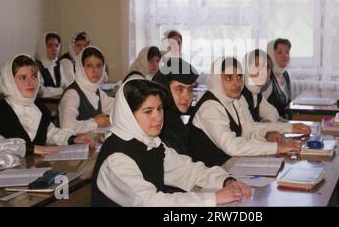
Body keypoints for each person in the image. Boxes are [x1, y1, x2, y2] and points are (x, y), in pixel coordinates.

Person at [91, 79, 252, 207]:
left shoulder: (151, 143)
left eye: (159, 109)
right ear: (128, 115)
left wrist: (226, 181)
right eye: (148, 111)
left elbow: (188, 170)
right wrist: (213, 198)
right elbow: (149, 202)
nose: (158, 117)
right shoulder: (116, 159)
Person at [186, 57, 311, 167]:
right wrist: (277, 148)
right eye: (228, 78)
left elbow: (249, 129)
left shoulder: (231, 100)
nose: (237, 83)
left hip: (229, 164)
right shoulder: (210, 107)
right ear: (217, 79)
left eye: (239, 77)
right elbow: (233, 146)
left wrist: (288, 128)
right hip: (209, 175)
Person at [0, 55, 94, 156]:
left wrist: (72, 139)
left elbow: (49, 133)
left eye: (34, 76)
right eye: (23, 78)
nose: (31, 82)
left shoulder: (39, 107)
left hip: (38, 167)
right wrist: (30, 149)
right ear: (9, 81)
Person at [59, 46, 114, 134]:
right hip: (73, 146)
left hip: (91, 143)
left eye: (99, 65)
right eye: (89, 66)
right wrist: (95, 123)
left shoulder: (96, 90)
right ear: (81, 68)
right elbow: (66, 127)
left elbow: (114, 107)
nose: (95, 70)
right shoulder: (72, 94)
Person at [152, 57, 198, 155]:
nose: (187, 97)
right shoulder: (158, 127)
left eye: (190, 90)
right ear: (164, 89)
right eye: (179, 89)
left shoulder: (173, 119)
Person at [240, 49, 279, 123]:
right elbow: (249, 129)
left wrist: (268, 122)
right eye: (257, 66)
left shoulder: (256, 93)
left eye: (267, 67)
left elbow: (273, 112)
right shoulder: (239, 94)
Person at [263, 39, 293, 119]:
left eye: (287, 52)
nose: (285, 55)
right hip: (272, 126)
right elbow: (259, 113)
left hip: (284, 124)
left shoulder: (286, 75)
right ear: (271, 54)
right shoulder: (266, 77)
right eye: (280, 52)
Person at [35, 32, 67, 98]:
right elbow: (40, 91)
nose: (54, 49)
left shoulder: (58, 65)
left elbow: (65, 85)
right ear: (43, 47)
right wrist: (61, 90)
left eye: (57, 45)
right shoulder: (36, 66)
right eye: (50, 46)